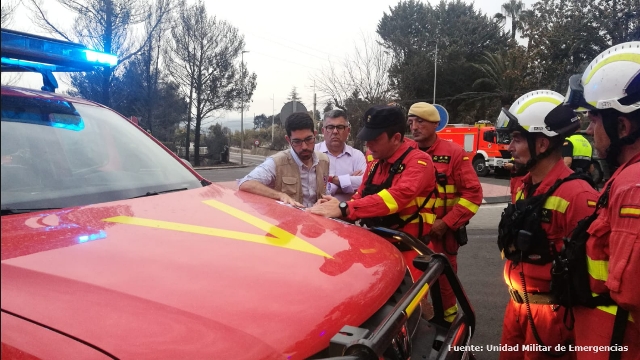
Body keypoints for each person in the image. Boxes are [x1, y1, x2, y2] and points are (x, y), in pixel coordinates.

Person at [495, 90, 599, 360]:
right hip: (518, 308)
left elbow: (591, 277)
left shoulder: (578, 195)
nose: (509, 147)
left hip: (552, 320)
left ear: (541, 145)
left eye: (517, 139)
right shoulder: (525, 186)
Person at [563, 42, 640, 359]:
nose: (589, 131)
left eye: (593, 120)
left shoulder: (632, 186)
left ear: (621, 126)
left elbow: (630, 292)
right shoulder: (625, 176)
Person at [308, 104, 437, 280]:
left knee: (412, 305)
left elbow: (395, 198)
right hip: (378, 248)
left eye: (374, 139)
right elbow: (360, 197)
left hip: (410, 252)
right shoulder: (375, 162)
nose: (368, 144)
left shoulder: (419, 162)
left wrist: (345, 207)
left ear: (396, 138)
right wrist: (334, 208)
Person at [407, 102, 483, 322]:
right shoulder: (406, 153)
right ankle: (415, 331)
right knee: (410, 288)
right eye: (411, 122)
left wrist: (446, 223)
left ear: (435, 124)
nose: (414, 127)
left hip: (442, 235)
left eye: (420, 121)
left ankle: (447, 330)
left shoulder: (454, 153)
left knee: (445, 288)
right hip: (411, 235)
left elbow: (473, 195)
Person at [238, 112, 329, 208]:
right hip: (289, 221)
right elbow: (246, 183)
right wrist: (280, 195)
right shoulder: (277, 162)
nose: (304, 146)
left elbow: (325, 190)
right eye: (297, 142)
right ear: (288, 140)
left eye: (308, 139)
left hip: (317, 220)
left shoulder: (324, 161)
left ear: (315, 134)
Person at [315, 109, 367, 202]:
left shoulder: (357, 156)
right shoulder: (313, 153)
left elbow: (365, 183)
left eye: (340, 127)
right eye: (330, 127)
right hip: (316, 211)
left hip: (348, 214)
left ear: (348, 131)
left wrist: (331, 179)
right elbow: (310, 186)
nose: (335, 131)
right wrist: (349, 184)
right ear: (323, 131)